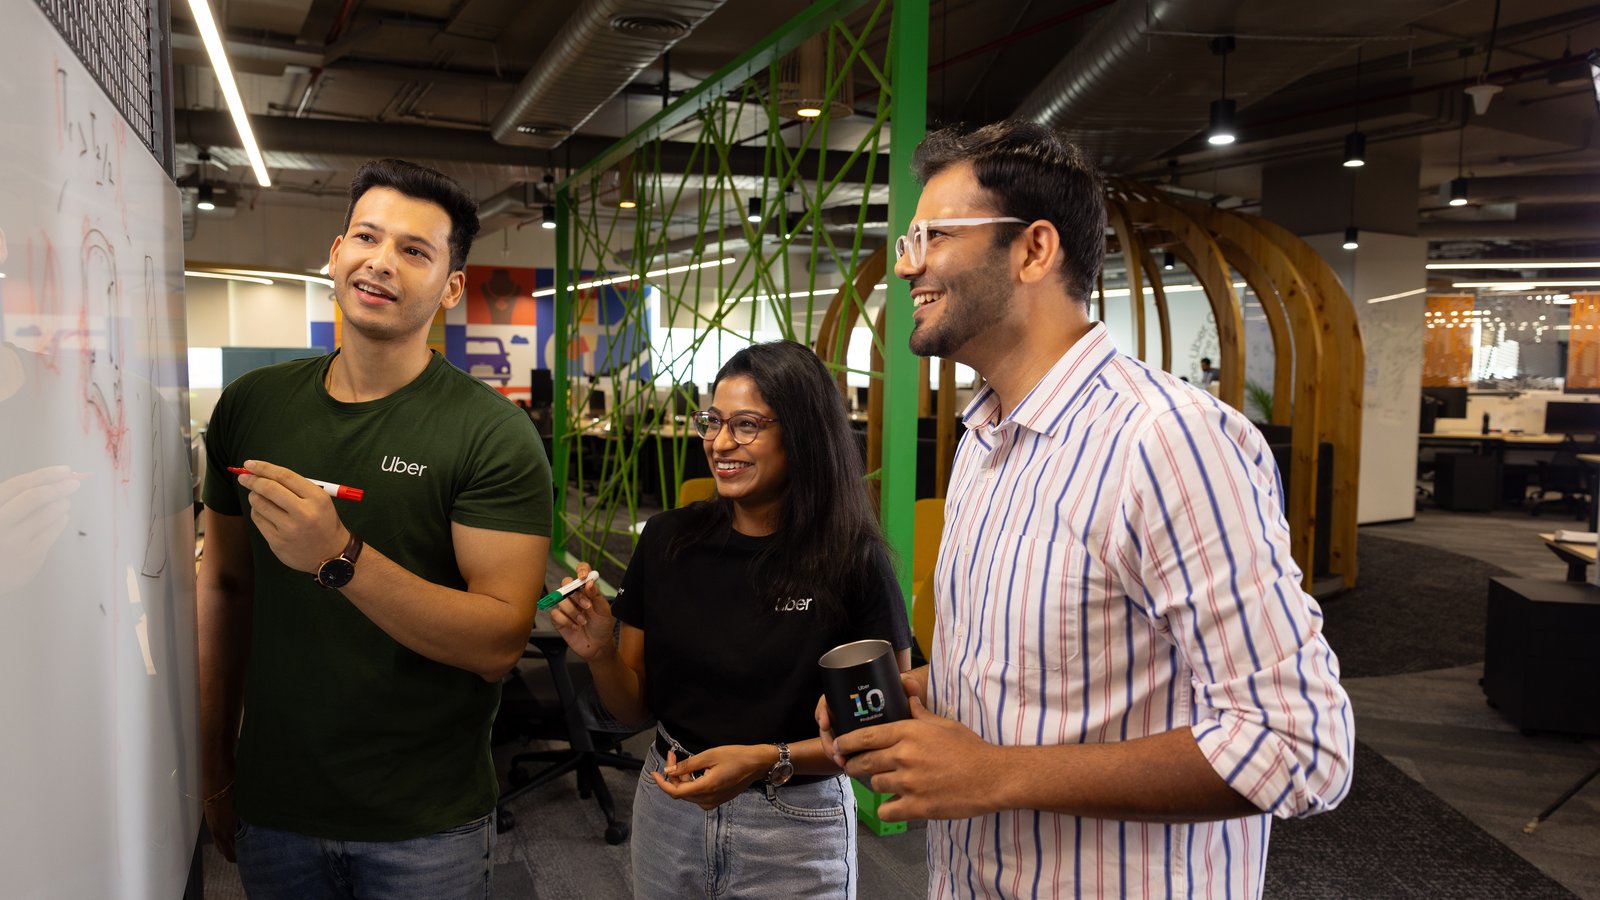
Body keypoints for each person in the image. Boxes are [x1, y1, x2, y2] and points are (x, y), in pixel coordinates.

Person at [822, 121, 1353, 899]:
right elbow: (1063, 677)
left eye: (933, 235)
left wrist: (996, 774)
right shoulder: (985, 439)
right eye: (909, 238)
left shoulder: (1170, 443)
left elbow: (1298, 744)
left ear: (1035, 250)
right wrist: (928, 697)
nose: (907, 265)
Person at [198, 159, 552, 899]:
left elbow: (498, 642)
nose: (381, 262)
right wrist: (212, 764)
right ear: (335, 253)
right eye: (367, 236)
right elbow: (226, 588)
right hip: (276, 806)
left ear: (452, 287)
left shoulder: (491, 434)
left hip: (426, 825)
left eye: (415, 251)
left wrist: (337, 555)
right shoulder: (251, 407)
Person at [549, 340, 911, 899]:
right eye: (712, 421)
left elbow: (882, 736)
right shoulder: (669, 540)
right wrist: (598, 652)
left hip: (795, 822)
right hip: (670, 805)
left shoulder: (852, 563)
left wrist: (770, 759)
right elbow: (632, 709)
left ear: (801, 433)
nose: (720, 443)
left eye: (746, 425)